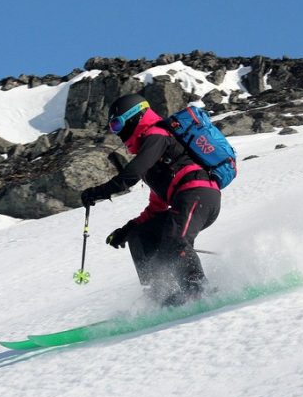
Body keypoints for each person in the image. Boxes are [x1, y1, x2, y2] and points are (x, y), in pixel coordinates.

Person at [81, 94, 222, 306]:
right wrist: (128, 229)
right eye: (113, 127)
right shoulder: (153, 159)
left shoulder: (157, 135)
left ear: (134, 117)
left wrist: (97, 192)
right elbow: (157, 206)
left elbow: (130, 176)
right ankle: (159, 294)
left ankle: (200, 291)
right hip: (185, 199)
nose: (117, 132)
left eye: (117, 124)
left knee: (175, 240)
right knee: (141, 235)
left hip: (199, 194)